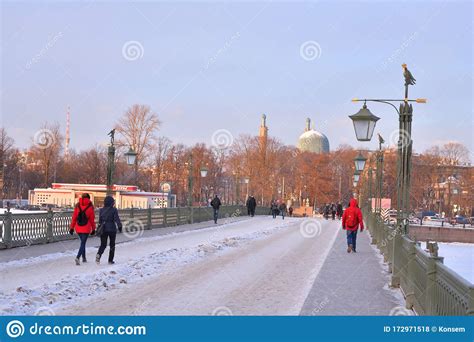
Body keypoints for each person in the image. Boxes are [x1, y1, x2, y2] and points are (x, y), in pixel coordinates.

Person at [70, 193, 96, 265]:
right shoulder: (90, 207)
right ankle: (78, 257)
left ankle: (84, 258)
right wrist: (93, 229)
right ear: (89, 198)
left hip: (78, 227)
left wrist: (72, 228)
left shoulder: (77, 206)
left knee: (82, 243)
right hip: (86, 227)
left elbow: (74, 218)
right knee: (83, 243)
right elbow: (92, 220)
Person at [96, 196, 122, 265]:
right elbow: (117, 219)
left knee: (103, 244)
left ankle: (99, 254)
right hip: (112, 229)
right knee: (112, 245)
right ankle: (110, 260)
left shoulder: (101, 210)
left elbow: (100, 221)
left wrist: (99, 227)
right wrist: (120, 226)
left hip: (103, 229)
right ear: (112, 202)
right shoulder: (114, 210)